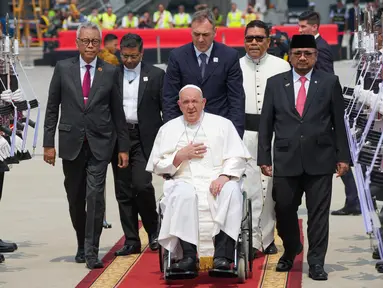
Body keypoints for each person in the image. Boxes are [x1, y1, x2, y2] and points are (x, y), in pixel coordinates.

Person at [257, 35, 350, 281]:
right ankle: (291, 248)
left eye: (308, 53)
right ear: (290, 55)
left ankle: (316, 261)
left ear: (315, 56)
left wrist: (343, 157)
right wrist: (263, 156)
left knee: (318, 214)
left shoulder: (329, 82)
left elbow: (339, 124)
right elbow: (266, 123)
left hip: (320, 159)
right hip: (286, 158)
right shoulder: (275, 83)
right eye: (298, 53)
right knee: (284, 208)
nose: (302, 58)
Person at [43, 22, 130, 270]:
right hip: (71, 143)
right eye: (86, 41)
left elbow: (117, 112)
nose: (90, 46)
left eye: (94, 41)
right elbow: (52, 109)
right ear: (77, 42)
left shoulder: (111, 71)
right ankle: (81, 242)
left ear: (99, 43)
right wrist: (48, 144)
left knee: (95, 197)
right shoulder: (63, 69)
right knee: (75, 197)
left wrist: (122, 146)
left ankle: (92, 251)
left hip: (101, 143)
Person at [147, 84, 250, 272]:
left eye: (195, 101)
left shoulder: (222, 124)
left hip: (217, 179)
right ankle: (188, 256)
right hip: (183, 179)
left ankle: (222, 257)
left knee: (231, 191)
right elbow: (157, 164)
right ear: (179, 104)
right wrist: (180, 156)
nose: (190, 106)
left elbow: (237, 156)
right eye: (186, 102)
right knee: (183, 193)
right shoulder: (168, 128)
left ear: (203, 103)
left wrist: (224, 176)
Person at [299, 10, 360, 216]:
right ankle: (353, 198)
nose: (300, 30)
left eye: (303, 26)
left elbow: (326, 79)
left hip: (324, 110)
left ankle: (354, 199)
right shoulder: (315, 46)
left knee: (337, 154)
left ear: (314, 27)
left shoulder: (320, 48)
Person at [239, 20, 291, 258]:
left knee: (270, 190)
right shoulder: (235, 66)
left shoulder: (282, 67)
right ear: (244, 40)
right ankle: (247, 238)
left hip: (273, 136)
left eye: (260, 38)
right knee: (246, 188)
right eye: (250, 38)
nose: (254, 43)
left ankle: (268, 238)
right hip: (243, 135)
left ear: (269, 41)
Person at [112, 33, 164, 256]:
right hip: (119, 138)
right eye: (125, 56)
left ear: (141, 53)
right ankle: (131, 239)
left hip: (145, 138)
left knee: (142, 185)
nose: (129, 61)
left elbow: (166, 108)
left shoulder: (156, 75)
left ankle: (154, 232)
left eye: (133, 56)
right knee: (124, 191)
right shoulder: (112, 75)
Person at [162, 8, 245, 137]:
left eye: (205, 35)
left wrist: (236, 134)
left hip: (220, 129)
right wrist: (172, 133)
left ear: (215, 32)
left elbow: (236, 99)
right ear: (191, 32)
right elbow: (169, 98)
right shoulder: (177, 56)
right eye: (196, 34)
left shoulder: (229, 56)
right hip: (186, 130)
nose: (200, 39)